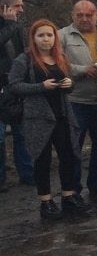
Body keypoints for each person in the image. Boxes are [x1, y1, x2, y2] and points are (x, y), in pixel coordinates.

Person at [7, 19, 89, 219]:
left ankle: (69, 196)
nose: (46, 39)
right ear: (33, 38)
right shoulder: (24, 60)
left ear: (55, 38)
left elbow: (69, 86)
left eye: (49, 35)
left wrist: (69, 83)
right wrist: (41, 87)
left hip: (61, 115)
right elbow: (14, 85)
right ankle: (46, 202)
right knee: (42, 160)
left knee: (68, 155)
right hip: (38, 118)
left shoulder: (60, 57)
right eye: (41, 35)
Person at [60, 0, 97, 200]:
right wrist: (82, 70)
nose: (84, 18)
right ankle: (73, 190)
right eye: (80, 15)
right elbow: (55, 65)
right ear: (72, 16)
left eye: (89, 14)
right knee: (73, 147)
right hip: (75, 101)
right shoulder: (61, 36)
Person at [0, 0, 34, 187]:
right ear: (5, 7)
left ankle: (27, 173)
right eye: (18, 6)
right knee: (1, 137)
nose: (21, 9)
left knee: (22, 132)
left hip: (16, 84)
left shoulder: (17, 26)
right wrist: (10, 25)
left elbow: (22, 53)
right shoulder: (11, 25)